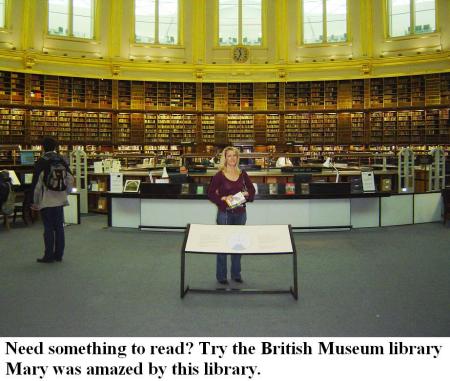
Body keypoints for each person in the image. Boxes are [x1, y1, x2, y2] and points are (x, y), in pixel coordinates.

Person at [207, 146, 255, 284]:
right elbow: (210, 193)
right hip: (225, 214)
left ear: (237, 158)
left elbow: (251, 191)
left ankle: (236, 274)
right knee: (223, 245)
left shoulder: (242, 174)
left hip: (240, 214)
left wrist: (247, 195)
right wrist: (221, 200)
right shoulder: (219, 175)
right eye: (229, 156)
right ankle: (221, 276)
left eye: (234, 155)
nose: (232, 158)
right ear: (225, 158)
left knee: (238, 244)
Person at [31, 137, 74, 263]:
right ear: (55, 147)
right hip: (60, 199)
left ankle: (48, 255)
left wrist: (34, 202)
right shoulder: (62, 159)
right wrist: (66, 192)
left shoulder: (42, 161)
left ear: (43, 147)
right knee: (59, 227)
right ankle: (59, 254)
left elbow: (36, 184)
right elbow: (70, 178)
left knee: (48, 228)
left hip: (47, 200)